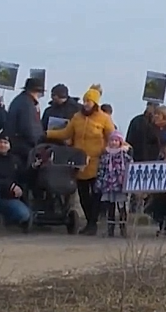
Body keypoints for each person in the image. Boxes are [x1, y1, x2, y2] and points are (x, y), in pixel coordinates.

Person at [45, 84, 116, 236]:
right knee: (83, 194)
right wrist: (47, 133)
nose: (85, 104)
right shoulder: (77, 117)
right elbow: (65, 133)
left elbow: (113, 137)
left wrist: (122, 146)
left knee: (96, 194)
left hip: (97, 161)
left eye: (89, 102)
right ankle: (90, 222)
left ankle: (92, 223)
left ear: (95, 103)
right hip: (79, 162)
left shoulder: (104, 119)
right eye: (84, 101)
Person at [0, 130, 33, 234]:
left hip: (8, 199)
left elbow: (24, 177)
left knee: (24, 215)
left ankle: (7, 221)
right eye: (0, 142)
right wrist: (10, 185)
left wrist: (34, 167)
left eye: (5, 142)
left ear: (9, 145)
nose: (2, 145)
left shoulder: (15, 160)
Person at [96, 130, 132, 238]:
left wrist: (129, 182)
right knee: (110, 207)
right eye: (112, 140)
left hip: (120, 185)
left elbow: (130, 168)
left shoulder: (124, 156)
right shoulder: (105, 156)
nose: (113, 142)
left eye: (116, 140)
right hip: (108, 185)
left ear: (120, 142)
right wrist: (99, 183)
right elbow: (101, 170)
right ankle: (110, 229)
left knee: (121, 207)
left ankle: (123, 229)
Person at [3, 78, 45, 166]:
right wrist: (39, 142)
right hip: (25, 146)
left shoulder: (20, 100)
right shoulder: (27, 104)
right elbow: (29, 128)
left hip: (16, 143)